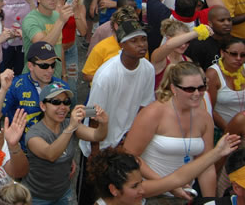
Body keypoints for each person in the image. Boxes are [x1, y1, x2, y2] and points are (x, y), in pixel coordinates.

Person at [123, 62, 217, 197]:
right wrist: (167, 185)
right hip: (150, 193)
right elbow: (129, 155)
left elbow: (206, 164)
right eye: (190, 89)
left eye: (201, 88)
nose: (197, 93)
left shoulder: (205, 118)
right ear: (174, 89)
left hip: (185, 194)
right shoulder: (153, 113)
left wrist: (209, 201)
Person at [86, 134, 240, 205]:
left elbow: (178, 178)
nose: (142, 190)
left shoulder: (135, 193)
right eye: (134, 186)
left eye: (140, 182)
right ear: (113, 189)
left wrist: (217, 152)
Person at [80, 20, 155, 159]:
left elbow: (144, 107)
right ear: (122, 45)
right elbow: (91, 112)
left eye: (144, 39)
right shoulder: (106, 75)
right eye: (134, 40)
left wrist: (132, 136)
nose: (141, 45)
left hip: (127, 143)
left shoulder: (148, 69)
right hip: (101, 146)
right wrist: (95, 153)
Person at [24, 84, 108, 205]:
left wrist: (104, 123)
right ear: (43, 106)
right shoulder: (34, 133)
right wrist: (71, 127)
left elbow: (97, 136)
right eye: (56, 102)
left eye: (66, 102)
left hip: (63, 193)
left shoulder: (68, 124)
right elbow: (51, 154)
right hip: (37, 197)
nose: (62, 107)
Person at [22, 0, 72, 79]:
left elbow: (59, 47)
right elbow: (43, 47)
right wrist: (61, 21)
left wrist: (64, 74)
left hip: (55, 75)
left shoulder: (57, 16)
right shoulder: (30, 20)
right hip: (35, 78)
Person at [207, 37, 245, 131]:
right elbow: (210, 108)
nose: (238, 58)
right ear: (222, 53)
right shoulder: (213, 74)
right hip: (220, 129)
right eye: (233, 54)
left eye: (243, 55)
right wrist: (230, 130)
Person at [149, 19, 206, 89]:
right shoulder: (159, 58)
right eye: (180, 42)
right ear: (168, 39)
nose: (183, 45)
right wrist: (197, 32)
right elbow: (168, 45)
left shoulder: (188, 60)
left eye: (187, 42)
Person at [186, 6, 233, 71]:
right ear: (210, 23)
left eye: (229, 20)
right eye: (222, 20)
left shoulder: (234, 42)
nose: (227, 23)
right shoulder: (198, 45)